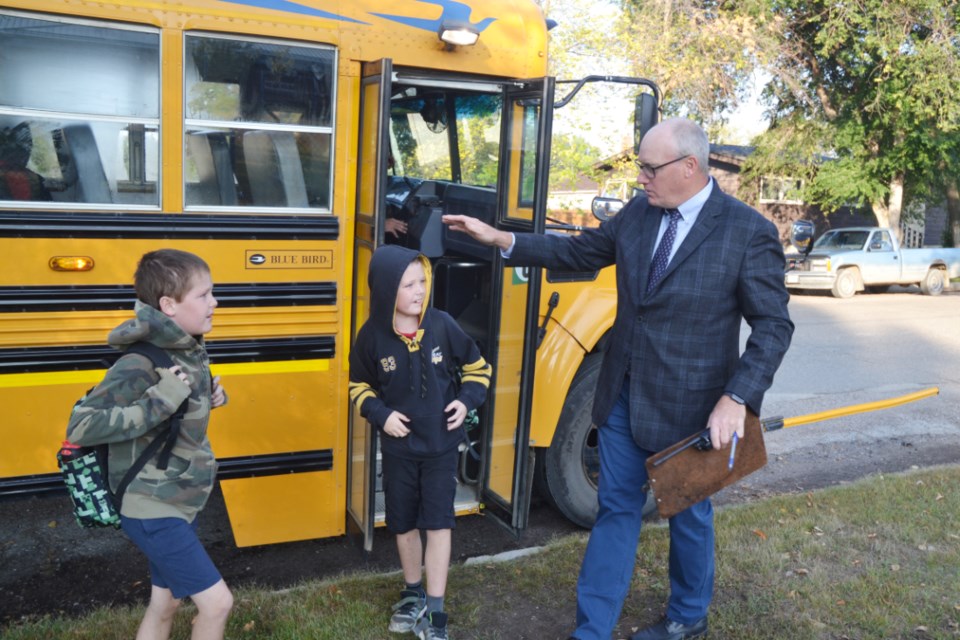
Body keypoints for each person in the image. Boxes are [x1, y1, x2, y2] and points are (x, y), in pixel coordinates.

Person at [443, 117, 794, 640]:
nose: (641, 179)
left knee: (688, 517)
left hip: (694, 409)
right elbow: (578, 252)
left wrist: (736, 399)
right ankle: (592, 630)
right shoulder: (640, 212)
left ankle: (688, 617)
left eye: (650, 169)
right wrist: (502, 240)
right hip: (623, 398)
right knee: (615, 510)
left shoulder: (748, 232)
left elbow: (773, 324)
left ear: (689, 168)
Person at [67, 249, 233, 640]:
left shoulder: (187, 349)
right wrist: (163, 399)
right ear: (168, 305)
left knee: (166, 602)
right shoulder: (140, 361)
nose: (215, 302)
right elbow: (81, 426)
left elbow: (173, 413)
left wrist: (205, 397)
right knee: (217, 603)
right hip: (150, 506)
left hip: (174, 498)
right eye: (204, 294)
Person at [349, 244, 491, 640]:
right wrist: (382, 415)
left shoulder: (443, 325)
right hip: (398, 451)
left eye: (423, 281)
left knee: (438, 524)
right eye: (408, 284)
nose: (419, 291)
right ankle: (413, 594)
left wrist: (465, 402)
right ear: (384, 291)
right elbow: (358, 385)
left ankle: (436, 610)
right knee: (403, 523)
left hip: (442, 449)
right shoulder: (372, 337)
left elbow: (479, 369)